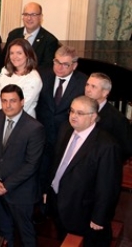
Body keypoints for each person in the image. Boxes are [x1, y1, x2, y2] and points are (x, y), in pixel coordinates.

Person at [48, 96, 122, 246]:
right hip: (58, 202)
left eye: (80, 113)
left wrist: (99, 217)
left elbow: (108, 186)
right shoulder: (65, 129)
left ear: (93, 117)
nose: (73, 116)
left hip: (83, 212)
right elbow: (56, 163)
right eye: (72, 111)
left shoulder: (106, 145)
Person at [0, 84, 44, 247]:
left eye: (12, 101)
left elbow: (32, 164)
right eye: (4, 101)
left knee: (27, 236)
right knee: (4, 234)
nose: (8, 105)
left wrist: (6, 185)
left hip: (21, 193)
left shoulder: (34, 128)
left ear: (22, 102)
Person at [35, 45, 87, 196]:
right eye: (57, 62)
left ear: (74, 65)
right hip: (42, 135)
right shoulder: (42, 75)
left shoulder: (83, 82)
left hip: (66, 138)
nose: (59, 67)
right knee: (41, 173)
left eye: (65, 64)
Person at [0, 38, 43, 118]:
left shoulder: (34, 78)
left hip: (22, 122)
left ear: (27, 54)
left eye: (19, 53)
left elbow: (21, 106)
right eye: (12, 53)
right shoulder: (5, 71)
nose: (15, 57)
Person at [84, 72, 132, 160]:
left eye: (93, 86)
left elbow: (126, 149)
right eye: (87, 85)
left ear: (105, 92)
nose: (88, 89)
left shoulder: (118, 119)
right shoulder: (79, 108)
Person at [4, 2, 59, 69]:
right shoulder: (13, 35)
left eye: (33, 15)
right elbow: (4, 59)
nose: (29, 18)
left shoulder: (49, 40)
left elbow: (46, 68)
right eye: (26, 14)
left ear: (40, 17)